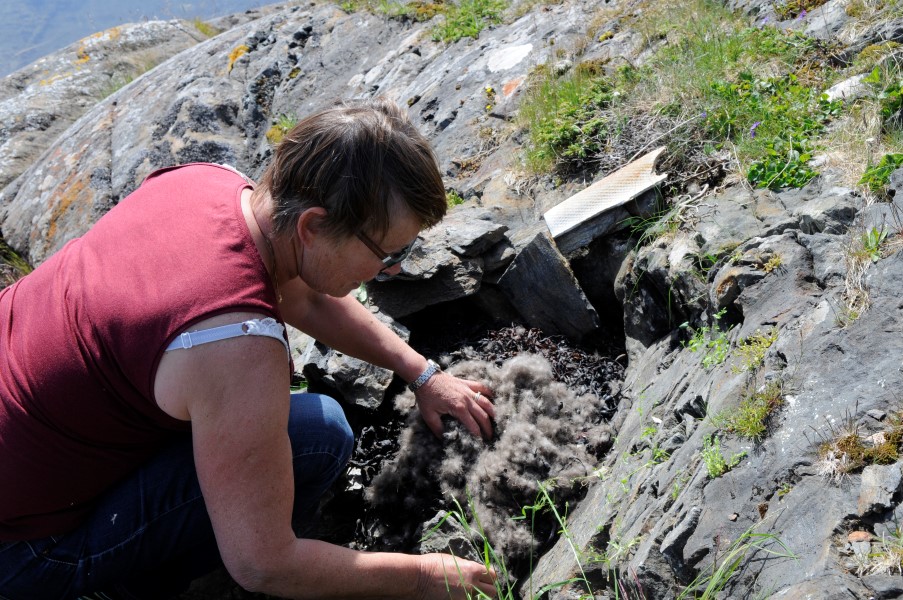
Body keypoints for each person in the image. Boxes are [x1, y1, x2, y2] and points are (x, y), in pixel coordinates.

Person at [0, 99, 499, 599]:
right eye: (386, 253)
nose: (388, 270)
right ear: (312, 226)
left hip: (28, 450)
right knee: (318, 438)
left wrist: (424, 375)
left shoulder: (207, 184)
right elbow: (263, 564)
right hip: (23, 548)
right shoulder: (235, 345)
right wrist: (421, 577)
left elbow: (304, 297)